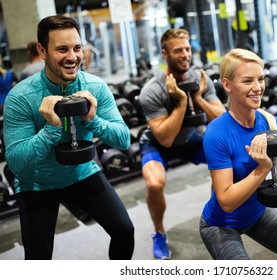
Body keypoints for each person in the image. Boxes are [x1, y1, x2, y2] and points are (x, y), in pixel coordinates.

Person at [3, 15, 135, 260]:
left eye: (76, 48)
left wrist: (92, 120)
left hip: (82, 172)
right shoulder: (20, 97)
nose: (73, 57)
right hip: (37, 182)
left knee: (124, 231)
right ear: (42, 51)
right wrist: (52, 129)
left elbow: (123, 140)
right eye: (62, 49)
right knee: (38, 258)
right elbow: (16, 162)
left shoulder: (95, 87)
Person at [199, 48, 277, 260]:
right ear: (227, 85)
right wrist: (262, 168)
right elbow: (227, 202)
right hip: (221, 223)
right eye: (248, 81)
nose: (258, 88)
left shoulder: (269, 122)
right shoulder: (216, 134)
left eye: (261, 79)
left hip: (258, 214)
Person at [138, 28, 226, 260]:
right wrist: (180, 102)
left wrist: (197, 98)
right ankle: (159, 233)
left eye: (187, 49)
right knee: (155, 184)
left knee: (230, 158)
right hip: (157, 144)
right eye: (178, 51)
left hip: (189, 139)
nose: (185, 54)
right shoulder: (152, 90)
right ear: (165, 54)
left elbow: (222, 118)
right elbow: (165, 138)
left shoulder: (200, 79)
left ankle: (215, 218)